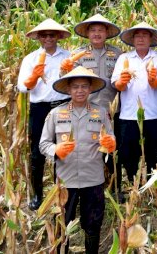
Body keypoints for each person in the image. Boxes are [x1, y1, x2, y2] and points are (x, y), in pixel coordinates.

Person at [39, 66, 115, 253]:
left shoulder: (101, 113)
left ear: (90, 89)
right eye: (75, 87)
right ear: (68, 90)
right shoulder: (56, 114)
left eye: (84, 87)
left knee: (93, 223)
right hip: (66, 180)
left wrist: (110, 144)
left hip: (93, 178)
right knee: (63, 222)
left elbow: (111, 140)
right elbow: (43, 144)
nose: (79, 91)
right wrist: (56, 149)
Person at [60, 13, 122, 191]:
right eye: (93, 30)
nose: (97, 33)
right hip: (88, 110)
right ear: (87, 33)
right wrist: (63, 70)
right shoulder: (77, 55)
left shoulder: (117, 54)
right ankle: (92, 185)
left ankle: (115, 186)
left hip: (112, 109)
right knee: (90, 148)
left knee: (111, 148)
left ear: (107, 32)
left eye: (100, 30)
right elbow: (66, 81)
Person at [17, 18, 71, 211]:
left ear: (58, 36)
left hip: (62, 106)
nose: (48, 38)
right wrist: (34, 77)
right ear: (39, 37)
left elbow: (74, 82)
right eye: (44, 35)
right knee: (37, 152)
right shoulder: (30, 59)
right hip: (39, 108)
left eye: (52, 34)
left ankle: (61, 191)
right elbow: (22, 88)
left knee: (63, 150)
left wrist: (69, 70)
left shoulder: (68, 56)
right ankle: (37, 194)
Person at [110, 22, 157, 197]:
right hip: (129, 115)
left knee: (153, 154)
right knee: (129, 154)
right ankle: (134, 186)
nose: (141, 38)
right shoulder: (123, 59)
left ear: (150, 38)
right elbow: (117, 86)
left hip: (155, 114)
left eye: (144, 35)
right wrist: (123, 80)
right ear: (133, 39)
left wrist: (154, 79)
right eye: (137, 35)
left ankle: (151, 188)